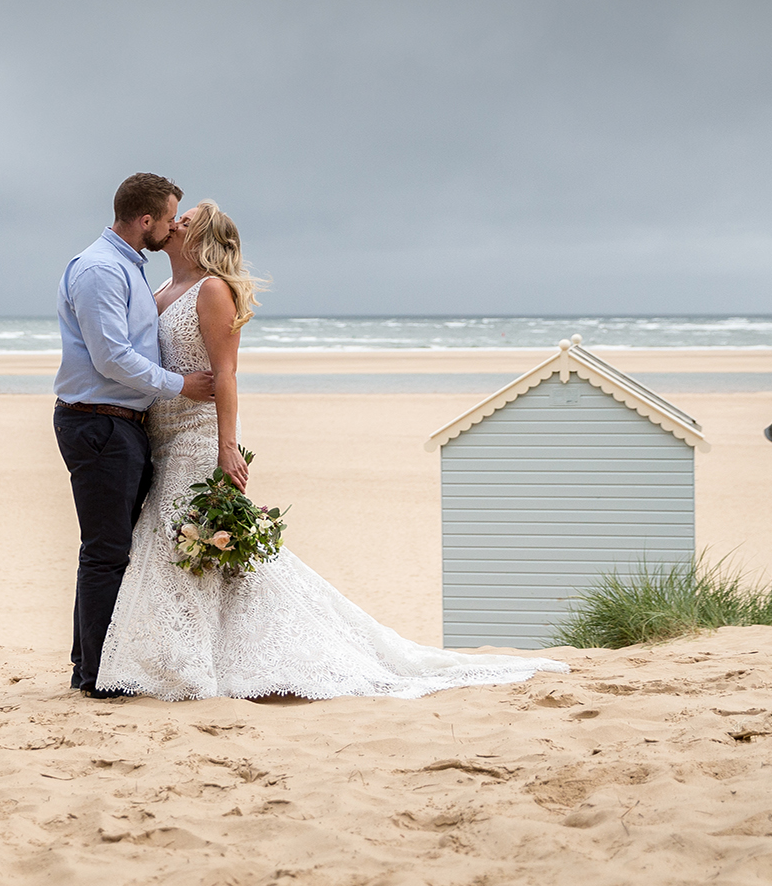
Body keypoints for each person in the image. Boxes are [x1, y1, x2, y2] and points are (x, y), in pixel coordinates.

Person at [95, 200, 571, 700]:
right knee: (186, 548)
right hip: (160, 436)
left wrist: (227, 448)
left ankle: (195, 667)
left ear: (199, 237)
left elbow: (228, 374)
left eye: (185, 221)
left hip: (197, 435)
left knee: (188, 546)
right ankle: (195, 657)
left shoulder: (212, 290)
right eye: (175, 218)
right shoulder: (159, 291)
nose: (174, 224)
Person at [54, 172, 216, 697]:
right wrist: (180, 386)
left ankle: (91, 668)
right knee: (107, 552)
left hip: (117, 422)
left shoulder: (126, 268)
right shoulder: (102, 269)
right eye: (170, 218)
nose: (172, 228)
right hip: (99, 421)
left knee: (105, 550)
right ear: (146, 220)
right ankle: (98, 677)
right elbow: (110, 356)